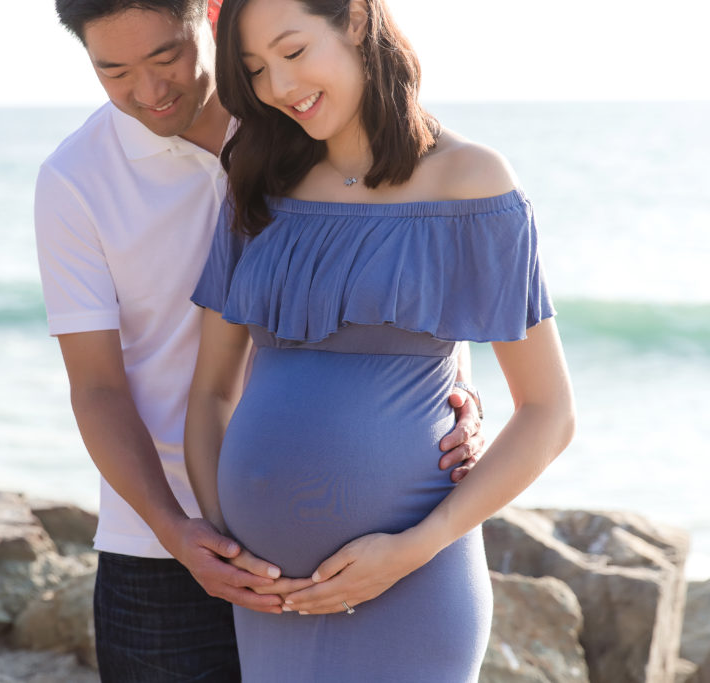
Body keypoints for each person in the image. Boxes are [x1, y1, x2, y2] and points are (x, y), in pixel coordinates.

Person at [36, 1, 486, 679]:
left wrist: (458, 395)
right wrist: (175, 528)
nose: (150, 90)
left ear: (210, 18)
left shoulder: (311, 117)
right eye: (114, 71)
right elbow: (96, 387)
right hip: (162, 551)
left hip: (345, 548)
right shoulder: (74, 179)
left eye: (166, 57)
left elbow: (413, 272)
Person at [184, 0, 576, 680]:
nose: (279, 88)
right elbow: (212, 391)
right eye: (256, 70)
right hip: (270, 598)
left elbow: (550, 412)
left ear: (356, 21)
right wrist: (229, 540)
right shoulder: (257, 179)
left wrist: (412, 548)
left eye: (293, 52)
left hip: (413, 587)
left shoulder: (471, 182)